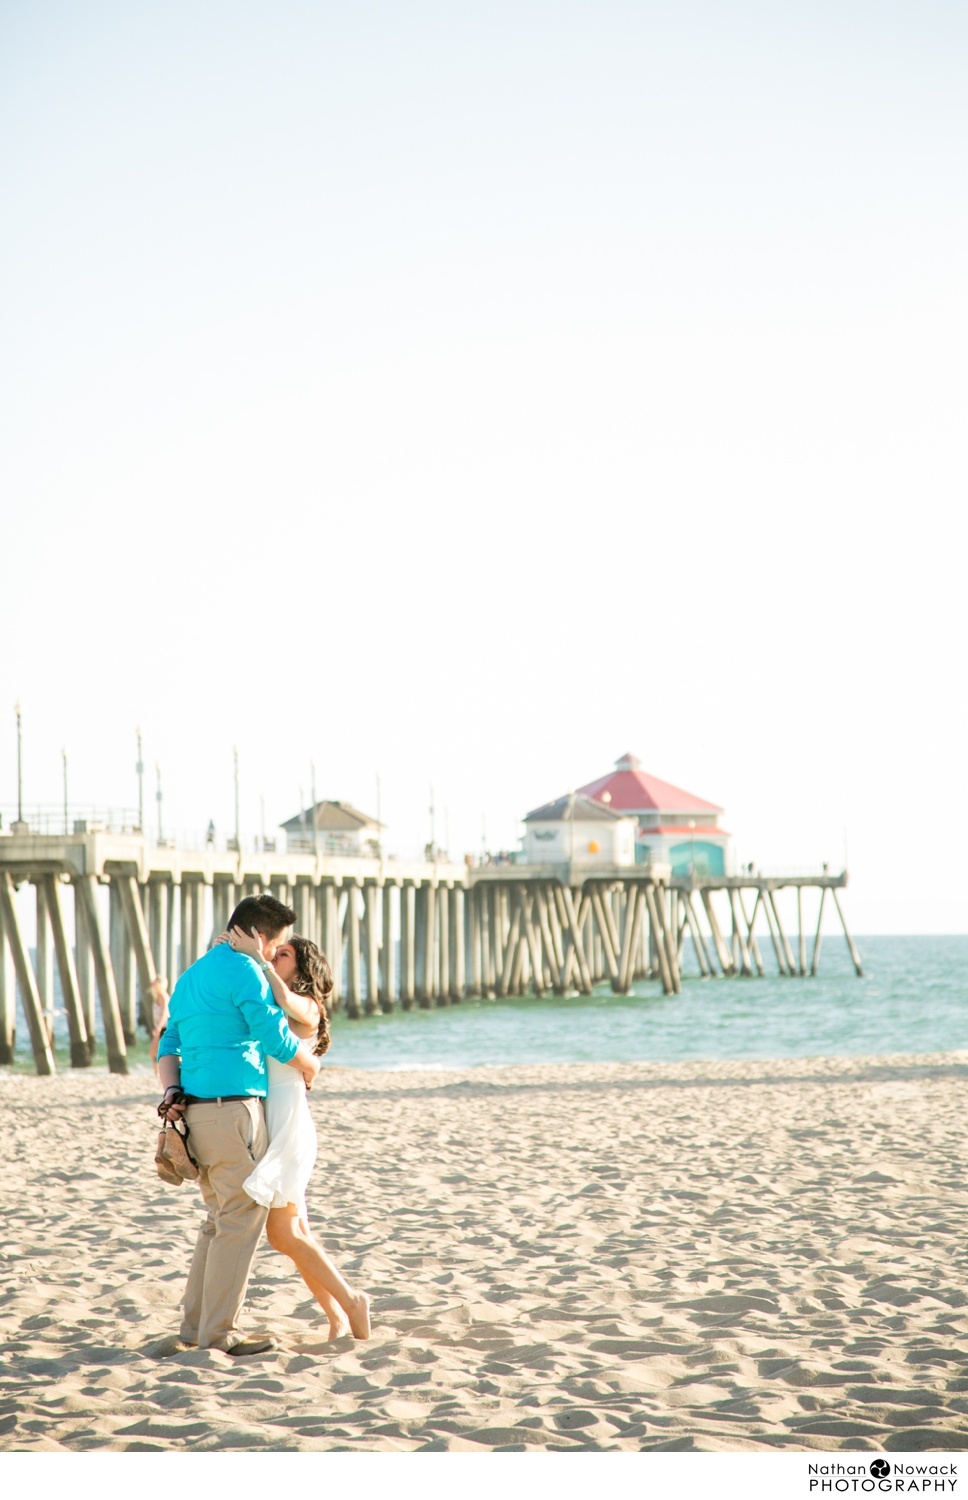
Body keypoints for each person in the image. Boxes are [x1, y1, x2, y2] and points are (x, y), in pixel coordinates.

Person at [157, 893, 321, 1357]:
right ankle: (218, 1333)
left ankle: (193, 1328)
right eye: (277, 946)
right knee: (238, 1223)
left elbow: (169, 1042)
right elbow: (274, 1034)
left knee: (216, 1220)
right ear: (262, 937)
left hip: (194, 1111)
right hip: (235, 1111)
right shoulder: (247, 970)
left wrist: (170, 1093)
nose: (273, 955)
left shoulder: (192, 973)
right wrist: (311, 1065)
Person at [224, 925, 371, 1340]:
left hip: (289, 1124)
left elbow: (287, 999)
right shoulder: (271, 1006)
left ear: (302, 967)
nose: (274, 956)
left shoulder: (307, 1006)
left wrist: (257, 959)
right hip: (272, 1121)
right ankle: (337, 1317)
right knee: (297, 1232)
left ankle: (352, 1301)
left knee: (283, 1233)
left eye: (282, 954)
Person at [147, 975, 170, 1072]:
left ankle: (158, 1073)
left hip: (165, 1027)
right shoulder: (159, 996)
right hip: (162, 1027)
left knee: (154, 1052)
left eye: (155, 983)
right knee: (155, 1052)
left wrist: (158, 1027)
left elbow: (165, 1013)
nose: (152, 985)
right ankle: (157, 1073)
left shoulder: (163, 997)